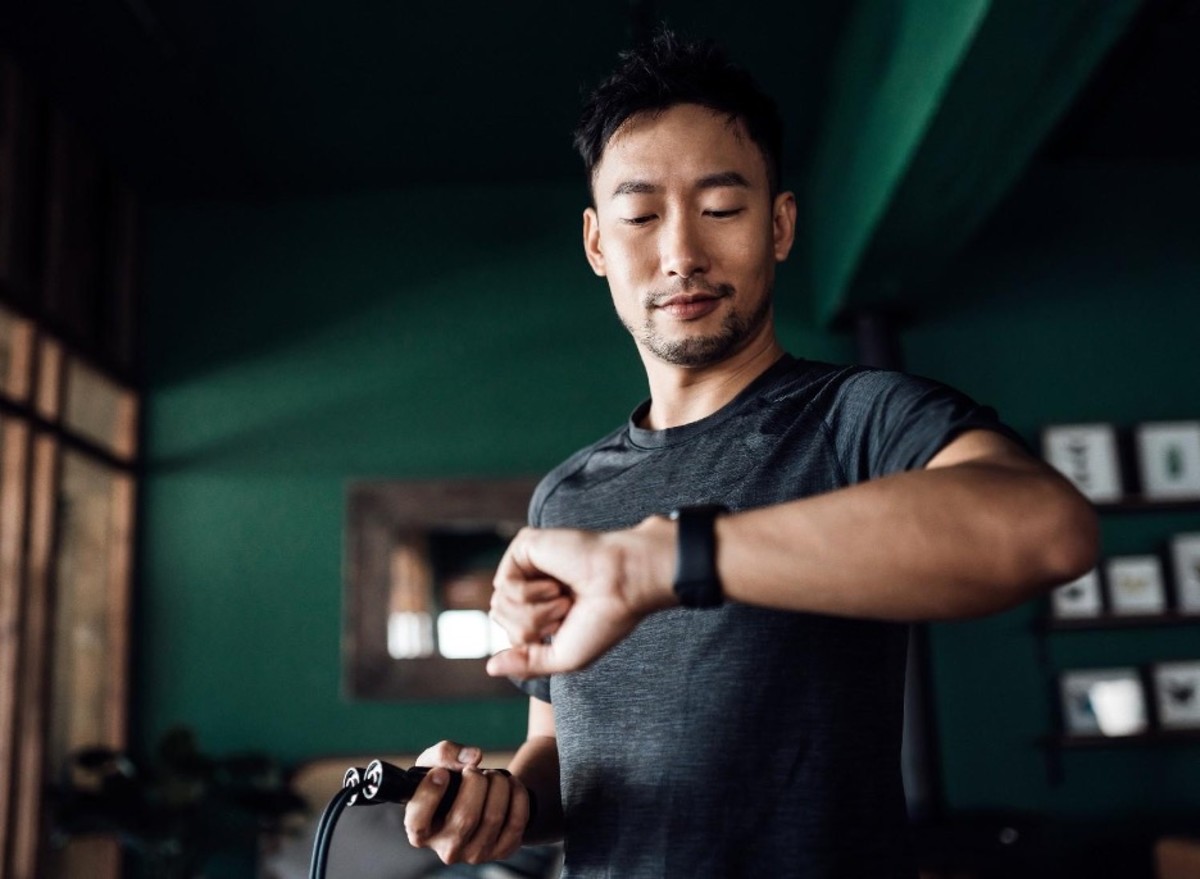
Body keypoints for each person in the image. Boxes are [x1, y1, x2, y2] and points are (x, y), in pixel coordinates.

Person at [402, 31, 1098, 878]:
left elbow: (1045, 527)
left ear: (780, 224)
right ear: (596, 244)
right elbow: (563, 752)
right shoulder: (565, 497)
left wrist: (663, 560)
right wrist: (504, 802)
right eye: (640, 216)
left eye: (722, 208)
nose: (681, 255)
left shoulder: (857, 418)